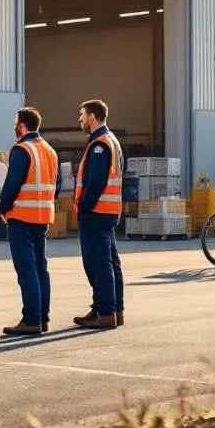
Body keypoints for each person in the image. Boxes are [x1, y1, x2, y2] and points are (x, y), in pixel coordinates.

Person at [0, 106, 61, 335]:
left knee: (26, 270)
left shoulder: (22, 149)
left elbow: (12, 185)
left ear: (22, 124)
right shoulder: (49, 151)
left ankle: (31, 319)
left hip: (22, 217)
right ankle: (42, 317)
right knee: (40, 267)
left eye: (16, 122)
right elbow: (57, 185)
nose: (14, 126)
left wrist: (4, 208)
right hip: (43, 216)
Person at [74, 98, 125, 330]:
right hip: (108, 211)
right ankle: (113, 309)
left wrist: (84, 207)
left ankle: (105, 313)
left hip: (97, 212)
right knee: (111, 262)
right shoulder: (110, 140)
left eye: (82, 114)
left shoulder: (100, 144)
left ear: (93, 116)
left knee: (98, 263)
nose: (80, 119)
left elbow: (96, 182)